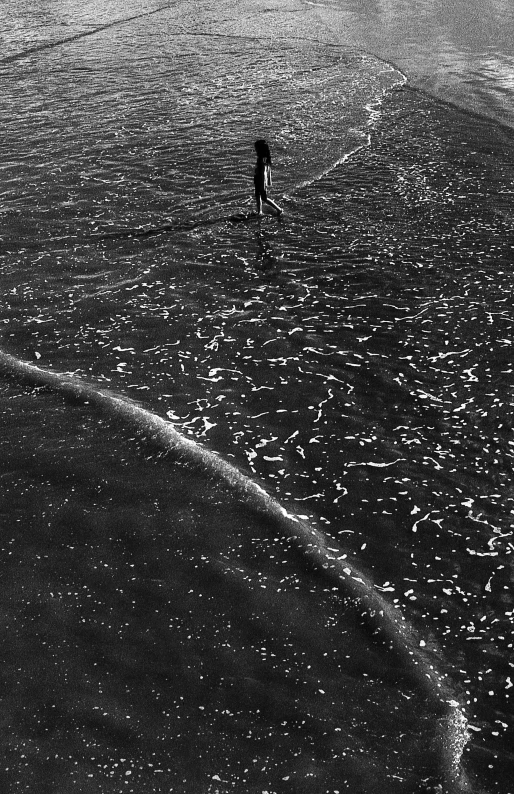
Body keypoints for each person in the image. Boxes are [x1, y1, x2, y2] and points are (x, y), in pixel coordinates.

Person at [253, 139, 282, 216]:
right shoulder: (264, 158)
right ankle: (259, 212)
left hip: (261, 180)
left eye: (256, 148)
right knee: (257, 195)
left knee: (264, 198)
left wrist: (263, 183)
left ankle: (279, 209)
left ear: (260, 149)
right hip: (258, 179)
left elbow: (263, 172)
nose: (255, 150)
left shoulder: (262, 160)